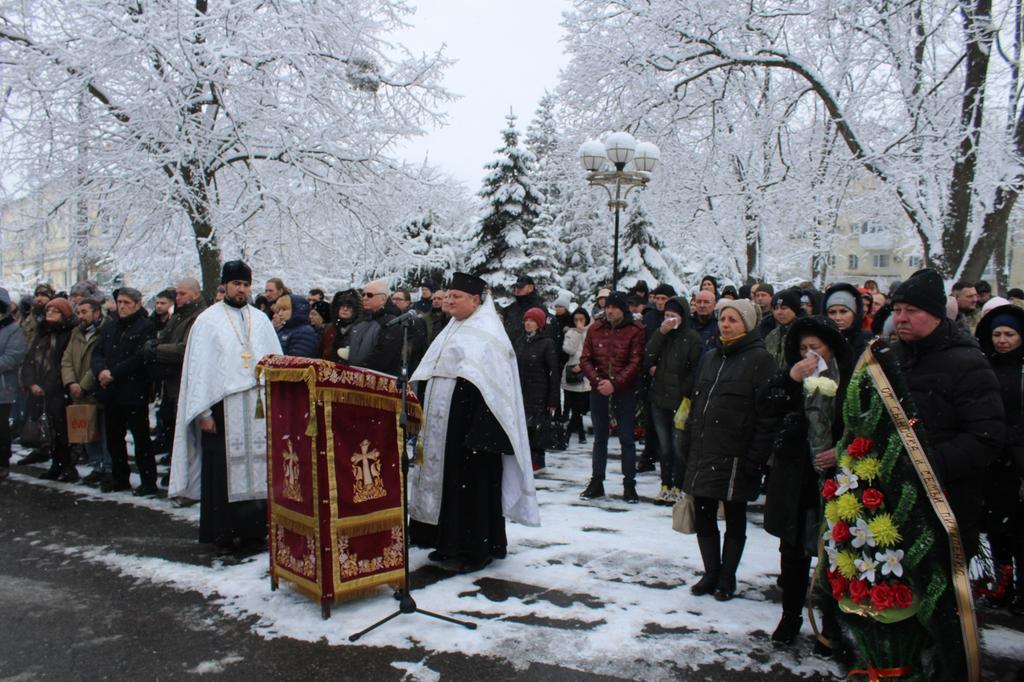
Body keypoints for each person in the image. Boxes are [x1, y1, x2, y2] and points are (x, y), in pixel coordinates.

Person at [410, 272, 539, 573]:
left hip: (473, 428)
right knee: (447, 485)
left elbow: (495, 386)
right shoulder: (452, 328)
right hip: (445, 426)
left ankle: (476, 550)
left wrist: (480, 431)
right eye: (448, 295)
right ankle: (447, 543)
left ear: (476, 300)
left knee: (472, 488)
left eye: (457, 297)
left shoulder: (488, 333)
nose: (449, 301)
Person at [888, 268, 1004, 557]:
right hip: (890, 501)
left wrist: (928, 465)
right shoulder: (891, 358)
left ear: (937, 314)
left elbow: (986, 436)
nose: (900, 318)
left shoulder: (967, 362)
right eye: (897, 309)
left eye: (911, 310)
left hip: (946, 503)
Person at [168, 260, 282, 549]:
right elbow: (199, 370)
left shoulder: (261, 319)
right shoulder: (207, 321)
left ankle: (255, 532)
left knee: (259, 469)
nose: (241, 289)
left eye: (245, 284)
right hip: (221, 408)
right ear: (225, 286)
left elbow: (276, 361)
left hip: (257, 409)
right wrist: (203, 412)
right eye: (236, 284)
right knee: (221, 471)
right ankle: (223, 531)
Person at [759, 316, 852, 648]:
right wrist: (789, 379)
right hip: (796, 475)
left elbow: (860, 426)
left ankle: (830, 619)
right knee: (794, 548)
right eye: (803, 348)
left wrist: (839, 450)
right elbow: (766, 406)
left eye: (816, 347)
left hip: (837, 476)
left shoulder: (849, 378)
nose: (810, 354)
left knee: (834, 549)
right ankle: (790, 615)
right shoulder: (793, 376)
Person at [682, 298, 778, 601]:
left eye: (734, 320)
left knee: (735, 515)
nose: (725, 324)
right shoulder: (711, 356)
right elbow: (698, 403)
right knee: (704, 513)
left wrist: (756, 457)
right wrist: (688, 439)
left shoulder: (760, 359)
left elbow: (766, 415)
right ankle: (710, 572)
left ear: (748, 324)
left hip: (738, 453)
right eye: (723, 319)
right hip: (705, 448)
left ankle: (728, 576)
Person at [974, 303, 1024, 612]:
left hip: (1019, 460)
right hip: (993, 458)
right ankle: (1002, 581)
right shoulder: (985, 365)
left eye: (1009, 334)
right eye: (997, 334)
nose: (1002, 341)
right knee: (996, 526)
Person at [579, 291, 646, 503]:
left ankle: (629, 484)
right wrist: (598, 381)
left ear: (623, 308)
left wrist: (615, 383)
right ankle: (597, 481)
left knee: (626, 438)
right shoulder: (595, 328)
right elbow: (585, 358)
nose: (609, 311)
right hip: (598, 389)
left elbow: (636, 362)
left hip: (624, 390)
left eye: (614, 307)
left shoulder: (635, 330)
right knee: (600, 438)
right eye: (607, 307)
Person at [91, 288, 157, 495]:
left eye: (127, 302)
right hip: (111, 391)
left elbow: (141, 357)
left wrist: (114, 372)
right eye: (119, 302)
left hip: (133, 389)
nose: (122, 306)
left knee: (141, 438)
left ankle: (148, 481)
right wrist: (100, 369)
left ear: (138, 304)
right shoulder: (111, 327)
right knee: (114, 437)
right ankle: (120, 477)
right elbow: (98, 352)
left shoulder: (146, 327)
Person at [148, 278, 207, 485]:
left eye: (182, 294)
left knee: (188, 436)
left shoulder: (198, 317)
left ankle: (188, 478)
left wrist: (157, 350)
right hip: (172, 382)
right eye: (177, 294)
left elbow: (185, 349)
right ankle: (179, 474)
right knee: (175, 431)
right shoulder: (179, 315)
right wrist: (156, 345)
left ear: (195, 294)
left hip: (186, 381)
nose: (178, 297)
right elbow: (165, 337)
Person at [644, 296, 701, 504]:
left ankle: (679, 485)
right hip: (659, 398)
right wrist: (660, 333)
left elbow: (695, 370)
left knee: (679, 447)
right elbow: (648, 354)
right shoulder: (661, 335)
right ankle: (665, 484)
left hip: (680, 401)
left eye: (673, 316)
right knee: (664, 446)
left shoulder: (692, 339)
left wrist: (682, 390)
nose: (669, 319)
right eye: (666, 315)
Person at [22, 297, 77, 481]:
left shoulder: (68, 334)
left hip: (58, 390)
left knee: (62, 430)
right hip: (39, 389)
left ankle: (67, 466)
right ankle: (56, 464)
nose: (50, 314)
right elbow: (30, 359)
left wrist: (47, 386)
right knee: (49, 430)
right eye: (48, 311)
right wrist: (31, 383)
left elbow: (63, 363)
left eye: (55, 311)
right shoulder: (42, 333)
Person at [61, 298, 110, 485]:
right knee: (86, 430)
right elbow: (66, 360)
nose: (80, 316)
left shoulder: (104, 331)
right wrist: (71, 382)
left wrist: (83, 385)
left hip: (96, 389)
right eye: (78, 312)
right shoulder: (76, 333)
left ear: (96, 313)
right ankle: (96, 465)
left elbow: (98, 361)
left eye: (84, 312)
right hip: (77, 390)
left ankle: (107, 467)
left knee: (103, 431)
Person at [514, 307, 560, 472]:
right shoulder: (519, 341)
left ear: (539, 324)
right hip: (521, 392)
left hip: (539, 394)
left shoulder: (547, 343)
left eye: (532, 320)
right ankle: (524, 462)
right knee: (523, 429)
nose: (528, 323)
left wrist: (553, 400)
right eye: (526, 320)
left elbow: (554, 373)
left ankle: (538, 462)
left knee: (537, 430)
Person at [348, 280, 403, 375]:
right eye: (363, 295)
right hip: (355, 377)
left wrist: (359, 370)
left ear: (383, 299)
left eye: (369, 295)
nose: (364, 298)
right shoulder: (359, 321)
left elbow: (382, 356)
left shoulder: (392, 323)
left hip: (378, 380)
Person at [0, 288, 26, 481]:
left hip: (3, 388)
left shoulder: (13, 330)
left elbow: (13, 357)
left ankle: (2, 463)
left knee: (1, 427)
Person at [561, 307, 591, 445]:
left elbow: (594, 351)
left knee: (579, 408)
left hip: (586, 374)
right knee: (572, 407)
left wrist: (583, 366)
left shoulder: (592, 332)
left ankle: (570, 435)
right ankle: (578, 435)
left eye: (581, 319)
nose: (579, 322)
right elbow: (569, 349)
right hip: (572, 374)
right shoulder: (570, 332)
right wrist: (577, 333)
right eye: (576, 319)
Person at [823, 283, 873, 359]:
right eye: (832, 312)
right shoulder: (819, 341)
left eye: (843, 311)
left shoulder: (868, 341)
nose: (838, 318)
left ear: (854, 313)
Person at [502, 274, 548, 347]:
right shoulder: (510, 308)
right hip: (508, 350)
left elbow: (544, 334)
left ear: (530, 288)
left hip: (529, 352)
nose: (517, 289)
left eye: (521, 287)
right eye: (516, 287)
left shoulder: (538, 308)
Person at [764, 288, 804, 368]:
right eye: (776, 308)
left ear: (795, 309)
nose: (779, 312)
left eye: (784, 308)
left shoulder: (805, 334)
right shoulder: (772, 335)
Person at [321, 289, 361, 361]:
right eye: (342, 305)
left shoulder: (359, 330)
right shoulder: (330, 328)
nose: (345, 309)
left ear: (356, 309)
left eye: (349, 306)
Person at [689, 289, 719, 354]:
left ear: (714, 305)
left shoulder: (720, 325)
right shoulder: (687, 324)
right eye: (699, 302)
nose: (702, 305)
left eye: (706, 302)